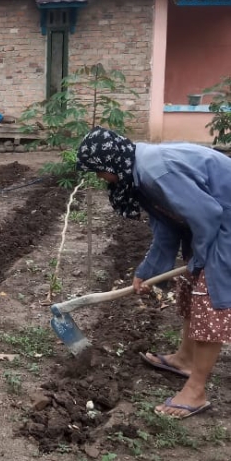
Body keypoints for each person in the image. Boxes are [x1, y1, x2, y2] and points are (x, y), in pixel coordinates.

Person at [76, 126, 231, 420]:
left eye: (98, 171)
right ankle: (185, 359)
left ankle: (196, 390)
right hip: (214, 219)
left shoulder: (155, 173)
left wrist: (201, 257)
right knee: (190, 282)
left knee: (209, 294)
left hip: (225, 220)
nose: (100, 178)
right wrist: (147, 271)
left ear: (111, 163)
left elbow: (208, 214)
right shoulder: (138, 172)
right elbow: (166, 230)